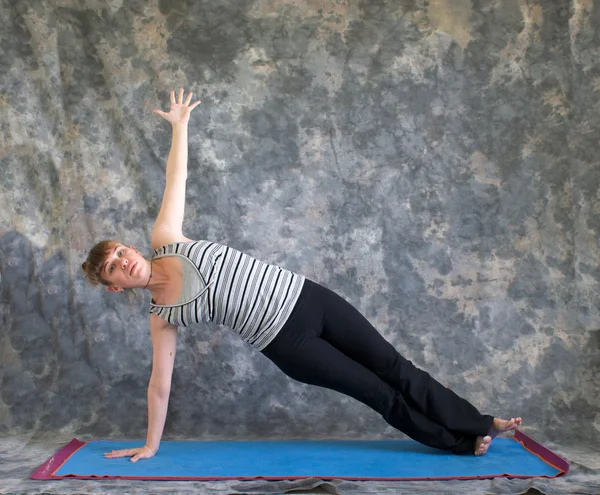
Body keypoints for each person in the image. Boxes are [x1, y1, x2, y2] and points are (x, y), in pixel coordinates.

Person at [82, 88, 522, 463]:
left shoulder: (166, 237)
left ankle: (481, 421)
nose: (124, 261)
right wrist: (150, 445)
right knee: (377, 392)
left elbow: (174, 176)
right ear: (116, 286)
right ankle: (459, 443)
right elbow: (160, 385)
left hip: (309, 299)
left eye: (122, 251)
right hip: (288, 344)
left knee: (395, 367)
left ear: (133, 248)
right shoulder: (163, 316)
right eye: (113, 268)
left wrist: (179, 126)